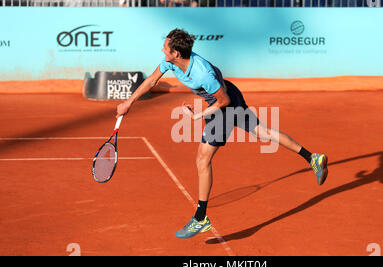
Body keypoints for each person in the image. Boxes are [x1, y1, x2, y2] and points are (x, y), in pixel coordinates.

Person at [116, 29, 328, 239]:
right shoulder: (170, 62)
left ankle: (200, 218)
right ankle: (313, 158)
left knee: (202, 159)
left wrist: (200, 115)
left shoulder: (202, 73)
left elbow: (223, 101)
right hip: (226, 96)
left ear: (176, 53)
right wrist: (129, 102)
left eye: (166, 47)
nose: (163, 49)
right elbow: (152, 80)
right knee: (263, 133)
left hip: (224, 104)